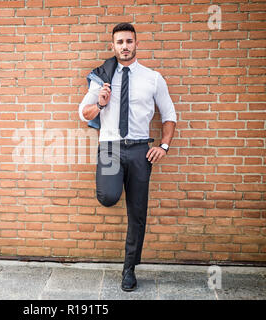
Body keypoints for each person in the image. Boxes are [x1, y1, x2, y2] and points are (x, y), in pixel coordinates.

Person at [78, 23, 177, 292]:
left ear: (136, 44)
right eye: (119, 42)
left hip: (139, 151)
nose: (124, 46)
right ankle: (112, 187)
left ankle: (129, 269)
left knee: (137, 212)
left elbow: (169, 116)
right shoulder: (102, 77)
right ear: (113, 46)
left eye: (129, 41)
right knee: (108, 197)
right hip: (110, 148)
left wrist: (164, 147)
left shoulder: (152, 78)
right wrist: (100, 103)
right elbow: (83, 114)